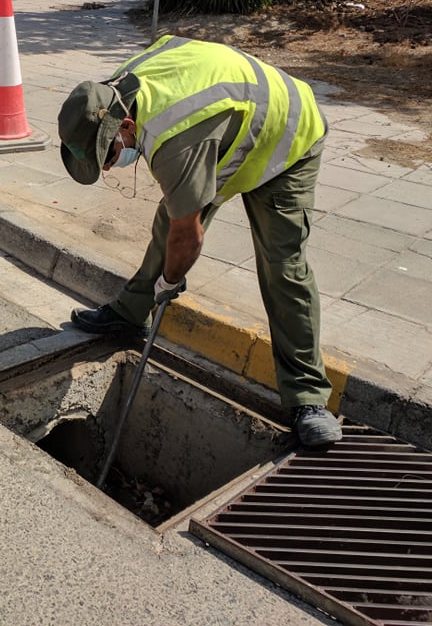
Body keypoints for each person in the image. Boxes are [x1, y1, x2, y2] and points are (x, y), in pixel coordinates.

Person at [57, 35, 342, 447]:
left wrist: (170, 282)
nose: (111, 165)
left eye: (108, 154)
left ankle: (308, 397)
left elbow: (187, 238)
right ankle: (131, 312)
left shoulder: (176, 141)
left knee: (283, 265)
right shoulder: (120, 89)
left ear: (125, 125)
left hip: (287, 140)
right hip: (230, 130)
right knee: (168, 222)